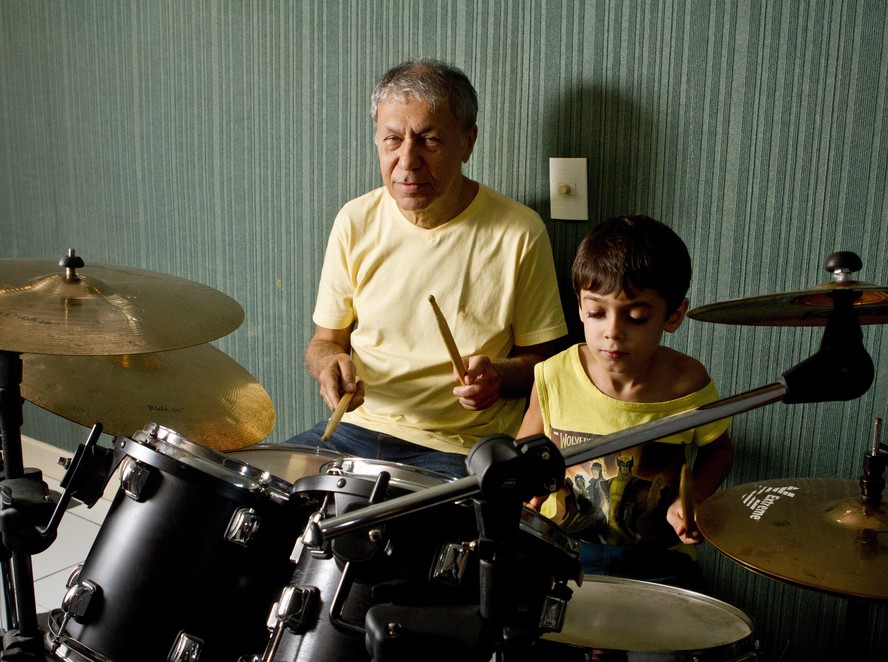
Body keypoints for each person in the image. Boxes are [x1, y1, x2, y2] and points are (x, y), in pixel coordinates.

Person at [287, 59, 567, 478]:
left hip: (454, 448)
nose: (407, 161)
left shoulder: (519, 232)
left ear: (467, 142)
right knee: (260, 496)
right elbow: (326, 341)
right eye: (392, 139)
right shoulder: (355, 219)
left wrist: (498, 377)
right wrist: (329, 364)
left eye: (430, 140)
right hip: (354, 430)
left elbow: (545, 363)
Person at [517, 214, 733, 592]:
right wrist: (528, 483)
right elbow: (524, 453)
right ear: (580, 307)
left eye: (635, 316)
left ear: (674, 315)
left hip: (661, 560)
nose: (612, 331)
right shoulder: (552, 375)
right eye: (597, 312)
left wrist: (693, 498)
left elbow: (719, 453)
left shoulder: (688, 383)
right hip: (565, 552)